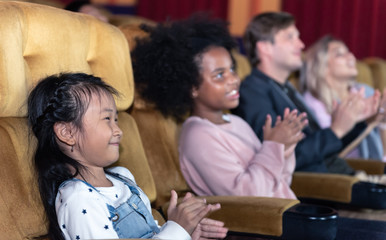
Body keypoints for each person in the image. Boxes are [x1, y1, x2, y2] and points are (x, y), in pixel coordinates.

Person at [27, 73, 228, 240]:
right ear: (67, 133)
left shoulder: (123, 177)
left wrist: (187, 234)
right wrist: (177, 229)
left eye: (116, 119)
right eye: (106, 119)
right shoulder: (78, 198)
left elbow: (152, 234)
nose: (119, 131)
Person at [132, 16, 308, 199]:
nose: (233, 79)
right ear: (192, 87)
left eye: (232, 70)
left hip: (289, 212)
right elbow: (250, 198)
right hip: (266, 225)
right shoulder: (198, 135)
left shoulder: (236, 121)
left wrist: (285, 149)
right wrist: (273, 146)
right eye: (219, 75)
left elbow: (279, 184)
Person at [232, 12, 382, 175]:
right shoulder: (252, 91)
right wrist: (335, 130)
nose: (301, 45)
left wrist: (360, 121)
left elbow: (324, 149)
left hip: (341, 178)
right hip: (318, 189)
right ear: (265, 47)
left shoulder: (286, 88)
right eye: (290, 37)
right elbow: (279, 157)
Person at [300, 35, 386, 162]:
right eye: (339, 54)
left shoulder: (366, 91)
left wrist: (382, 122)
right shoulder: (313, 103)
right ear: (321, 66)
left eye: (348, 52)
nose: (351, 56)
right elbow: (329, 155)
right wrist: (366, 123)